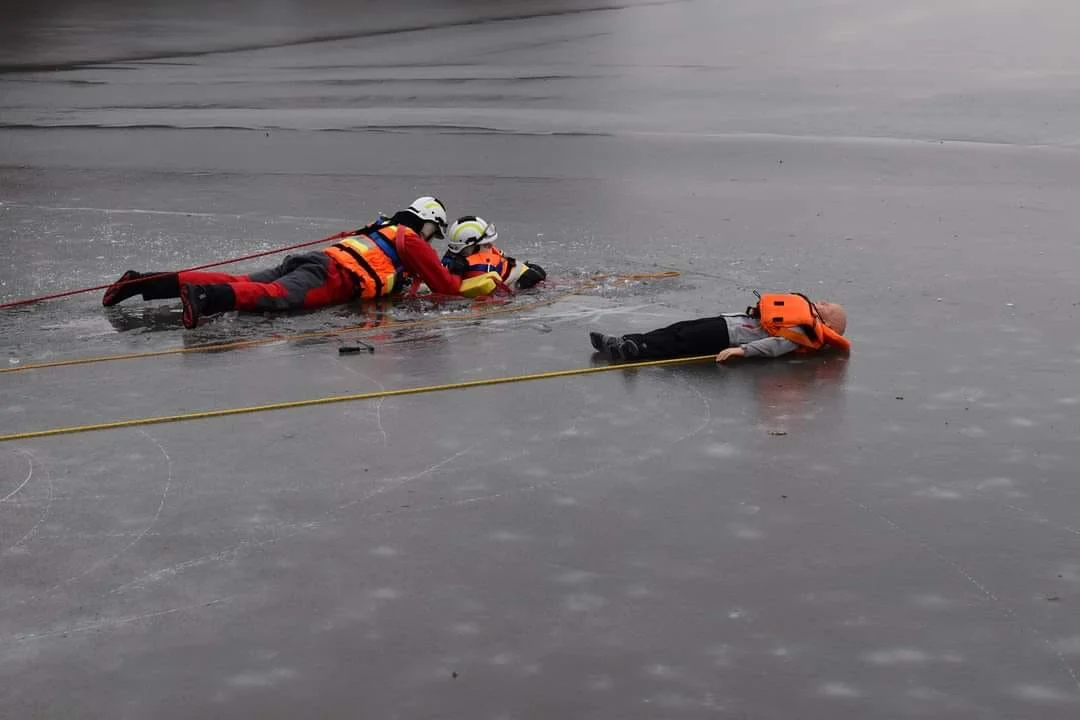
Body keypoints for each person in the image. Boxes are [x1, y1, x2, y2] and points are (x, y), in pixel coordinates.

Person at [101, 197, 504, 328]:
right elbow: (446, 288)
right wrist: (485, 286)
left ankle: (143, 283)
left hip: (317, 261)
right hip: (332, 276)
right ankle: (205, 298)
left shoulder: (380, 228)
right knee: (274, 296)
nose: (434, 240)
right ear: (429, 224)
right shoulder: (411, 240)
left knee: (241, 277)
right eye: (436, 231)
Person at [589, 292, 850, 363]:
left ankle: (637, 349)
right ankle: (624, 340)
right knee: (678, 328)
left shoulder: (805, 331)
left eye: (828, 306)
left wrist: (743, 351)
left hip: (729, 335)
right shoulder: (803, 316)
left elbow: (774, 346)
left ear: (828, 324)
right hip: (727, 322)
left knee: (682, 340)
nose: (822, 302)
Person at [440, 216, 547, 290]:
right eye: (486, 244)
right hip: (518, 281)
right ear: (468, 249)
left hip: (521, 274)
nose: (491, 246)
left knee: (537, 272)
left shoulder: (453, 259)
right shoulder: (476, 268)